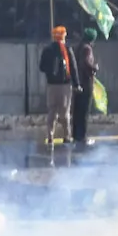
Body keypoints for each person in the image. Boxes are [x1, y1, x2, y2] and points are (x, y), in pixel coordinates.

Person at [38, 26, 80, 157]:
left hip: (51, 85)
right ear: (63, 36)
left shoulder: (47, 49)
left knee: (52, 111)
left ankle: (50, 136)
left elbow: (41, 67)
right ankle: (67, 136)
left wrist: (50, 72)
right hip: (65, 85)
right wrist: (77, 83)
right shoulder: (67, 50)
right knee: (65, 111)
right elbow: (73, 67)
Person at [74, 28, 99, 148]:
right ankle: (82, 137)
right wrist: (94, 68)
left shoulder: (78, 47)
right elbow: (86, 64)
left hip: (78, 81)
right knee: (84, 111)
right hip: (86, 82)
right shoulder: (87, 49)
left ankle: (75, 135)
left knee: (77, 110)